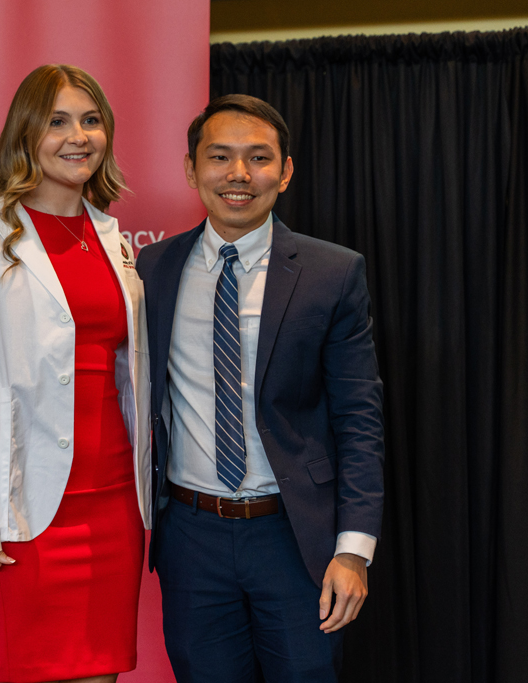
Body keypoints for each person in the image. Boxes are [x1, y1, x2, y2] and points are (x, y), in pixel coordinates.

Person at [135, 94, 385, 682]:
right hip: (190, 538)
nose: (239, 175)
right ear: (192, 169)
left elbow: (359, 419)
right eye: (220, 157)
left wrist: (353, 549)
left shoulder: (333, 273)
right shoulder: (150, 269)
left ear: (286, 170)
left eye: (258, 158)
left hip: (296, 539)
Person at [0, 64, 151, 683]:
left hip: (112, 505)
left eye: (91, 120)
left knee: (99, 675)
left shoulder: (112, 237)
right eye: (57, 121)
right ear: (25, 134)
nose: (78, 136)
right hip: (19, 512)